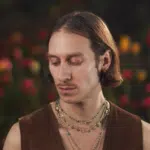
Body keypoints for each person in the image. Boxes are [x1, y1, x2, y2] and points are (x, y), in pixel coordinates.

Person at [3, 11, 150, 150]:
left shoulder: (142, 136)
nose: (62, 76)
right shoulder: (23, 136)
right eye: (54, 62)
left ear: (105, 61)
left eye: (74, 61)